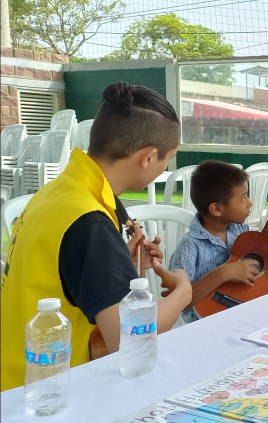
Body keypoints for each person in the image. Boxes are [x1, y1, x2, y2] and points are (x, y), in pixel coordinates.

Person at [0, 82, 193, 391]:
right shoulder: (90, 222)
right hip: (48, 392)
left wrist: (121, 272)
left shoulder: (56, 192)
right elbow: (128, 342)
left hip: (14, 372)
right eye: (167, 159)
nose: (164, 167)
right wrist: (183, 295)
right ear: (147, 158)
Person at [168, 160, 268, 323]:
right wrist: (223, 273)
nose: (250, 203)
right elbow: (178, 302)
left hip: (248, 315)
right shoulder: (189, 246)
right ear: (217, 209)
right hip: (205, 326)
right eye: (243, 198)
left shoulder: (242, 231)